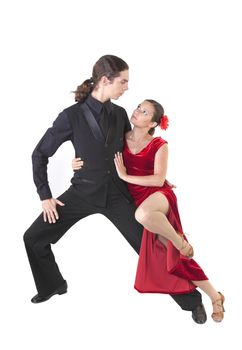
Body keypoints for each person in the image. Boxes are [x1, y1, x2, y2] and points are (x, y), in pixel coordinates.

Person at [23, 55, 207, 324]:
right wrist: (45, 196)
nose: (127, 88)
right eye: (123, 81)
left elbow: (132, 151)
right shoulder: (70, 116)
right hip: (82, 192)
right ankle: (52, 285)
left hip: (118, 196)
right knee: (33, 238)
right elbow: (39, 154)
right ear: (105, 80)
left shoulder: (119, 114)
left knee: (153, 247)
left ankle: (192, 302)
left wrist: (160, 180)